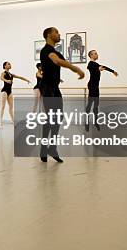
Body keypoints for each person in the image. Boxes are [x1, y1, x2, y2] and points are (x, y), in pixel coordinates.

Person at [40, 27, 84, 162]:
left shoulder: (56, 51)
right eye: (56, 32)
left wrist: (71, 66)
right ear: (49, 35)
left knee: (57, 118)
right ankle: (45, 148)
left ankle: (51, 148)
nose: (58, 34)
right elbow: (57, 61)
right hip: (48, 88)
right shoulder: (46, 50)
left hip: (54, 88)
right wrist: (75, 68)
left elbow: (62, 61)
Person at [85, 50, 118, 131]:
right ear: (91, 55)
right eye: (95, 53)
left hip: (96, 87)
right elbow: (89, 68)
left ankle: (96, 122)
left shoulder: (96, 64)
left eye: (97, 53)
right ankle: (87, 123)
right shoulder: (91, 64)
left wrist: (113, 71)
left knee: (96, 106)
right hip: (92, 86)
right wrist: (97, 69)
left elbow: (104, 67)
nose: (97, 54)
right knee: (90, 105)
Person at [0, 62, 30, 127]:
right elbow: (1, 78)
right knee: (3, 106)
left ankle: (13, 122)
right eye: (8, 64)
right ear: (5, 66)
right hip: (4, 91)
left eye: (10, 64)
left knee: (11, 107)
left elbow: (20, 77)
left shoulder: (11, 74)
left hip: (10, 91)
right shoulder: (3, 73)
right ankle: (1, 122)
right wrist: (7, 81)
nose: (10, 65)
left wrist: (26, 80)